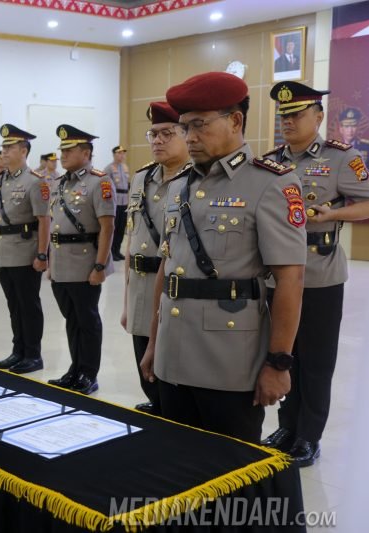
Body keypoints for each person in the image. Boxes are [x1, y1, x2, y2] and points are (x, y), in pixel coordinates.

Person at [140, 72, 307, 444]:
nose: (190, 137)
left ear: (235, 120)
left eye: (200, 125)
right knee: (177, 459)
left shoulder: (271, 183)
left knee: (230, 466)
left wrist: (279, 362)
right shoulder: (180, 186)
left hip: (230, 361)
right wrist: (154, 342)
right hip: (173, 354)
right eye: (185, 127)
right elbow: (168, 268)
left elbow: (290, 280)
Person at [260, 82, 369, 465]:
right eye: (283, 115)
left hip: (319, 273)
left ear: (319, 116)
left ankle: (309, 435)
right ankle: (287, 426)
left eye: (296, 114)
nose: (287, 121)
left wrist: (334, 214)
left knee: (317, 360)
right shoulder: (270, 161)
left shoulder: (341, 157)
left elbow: (367, 202)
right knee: (282, 353)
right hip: (276, 275)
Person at [120, 102, 190, 416]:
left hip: (173, 286)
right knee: (142, 357)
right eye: (153, 134)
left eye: (167, 133)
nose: (158, 140)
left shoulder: (194, 180)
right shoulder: (141, 178)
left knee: (171, 363)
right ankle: (156, 404)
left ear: (185, 135)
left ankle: (170, 413)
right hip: (140, 284)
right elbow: (131, 240)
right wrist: (126, 302)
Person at [47, 125, 116, 395]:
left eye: (69, 150)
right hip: (61, 264)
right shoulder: (60, 183)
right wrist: (51, 263)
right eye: (61, 150)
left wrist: (100, 266)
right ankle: (74, 370)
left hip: (85, 263)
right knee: (72, 320)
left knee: (87, 322)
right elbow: (55, 225)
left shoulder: (100, 182)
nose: (62, 155)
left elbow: (107, 227)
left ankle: (89, 373)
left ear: (86, 153)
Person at [0, 125, 50, 374]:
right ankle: (18, 351)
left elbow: (44, 220)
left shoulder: (35, 181)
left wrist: (42, 254)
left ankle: (33, 355)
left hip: (25, 253)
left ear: (23, 151)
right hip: (4, 252)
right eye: (3, 147)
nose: (4, 151)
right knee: (14, 306)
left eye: (9, 147)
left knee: (28, 306)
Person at [105, 145, 130, 261]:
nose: (122, 155)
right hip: (114, 202)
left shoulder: (125, 167)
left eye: (123, 153)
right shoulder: (109, 168)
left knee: (121, 228)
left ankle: (117, 250)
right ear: (114, 155)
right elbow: (105, 186)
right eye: (119, 153)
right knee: (113, 228)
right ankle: (111, 252)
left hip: (124, 201)